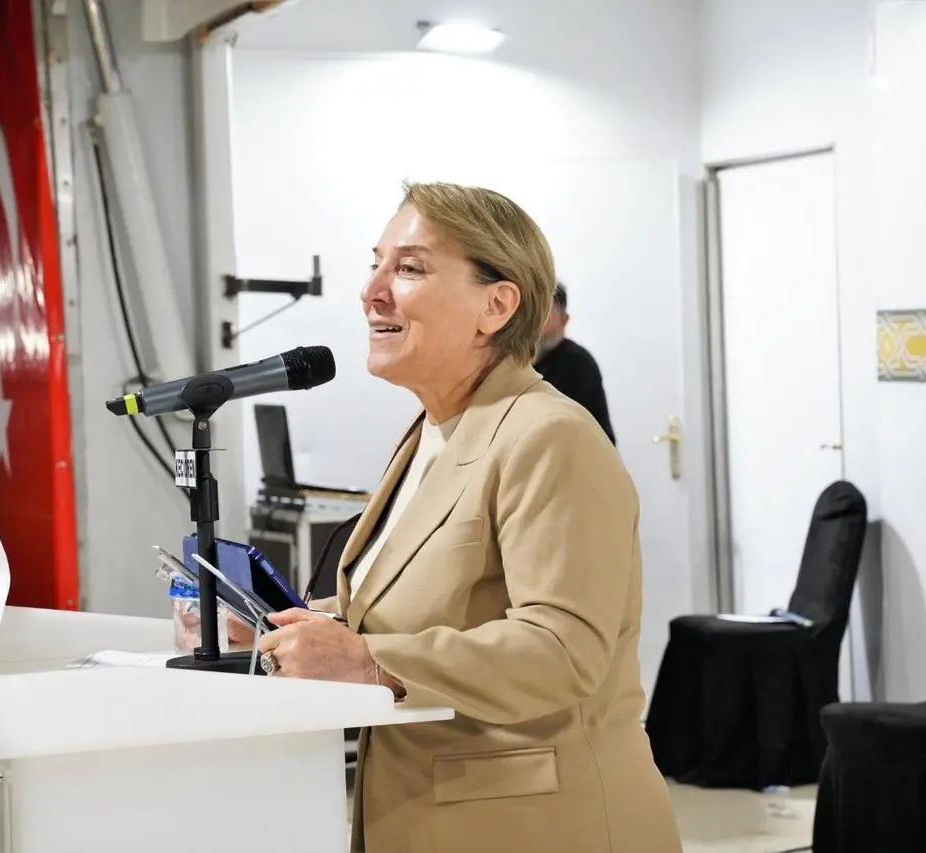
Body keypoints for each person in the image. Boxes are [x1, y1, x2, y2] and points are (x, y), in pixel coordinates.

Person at [254, 182, 680, 853]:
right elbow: (413, 606)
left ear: (496, 305)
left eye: (409, 268)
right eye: (376, 263)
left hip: (542, 827)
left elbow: (561, 649)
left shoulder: (551, 436)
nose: (371, 292)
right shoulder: (432, 430)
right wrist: (275, 625)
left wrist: (368, 661)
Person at [535, 282, 616, 444]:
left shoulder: (577, 363)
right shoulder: (519, 362)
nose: (534, 325)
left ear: (563, 320)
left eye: (543, 316)